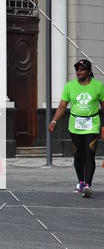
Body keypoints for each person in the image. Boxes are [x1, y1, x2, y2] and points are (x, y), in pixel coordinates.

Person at [49, 58, 104, 198]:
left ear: (89, 71)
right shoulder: (69, 86)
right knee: (78, 156)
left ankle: (87, 185)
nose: (79, 72)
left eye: (82, 69)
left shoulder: (98, 86)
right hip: (75, 125)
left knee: (89, 155)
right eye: (77, 69)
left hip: (92, 124)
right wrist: (54, 121)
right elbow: (62, 106)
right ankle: (80, 182)